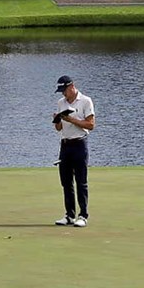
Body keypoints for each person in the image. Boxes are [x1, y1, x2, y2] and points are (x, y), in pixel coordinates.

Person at [53, 75, 95, 228]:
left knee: (81, 181)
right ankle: (69, 215)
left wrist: (72, 120)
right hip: (65, 145)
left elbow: (90, 125)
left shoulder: (85, 101)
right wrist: (57, 120)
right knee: (66, 182)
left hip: (79, 144)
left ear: (72, 86)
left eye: (64, 90)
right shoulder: (60, 103)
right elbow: (58, 128)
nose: (63, 94)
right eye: (61, 91)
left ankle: (83, 215)